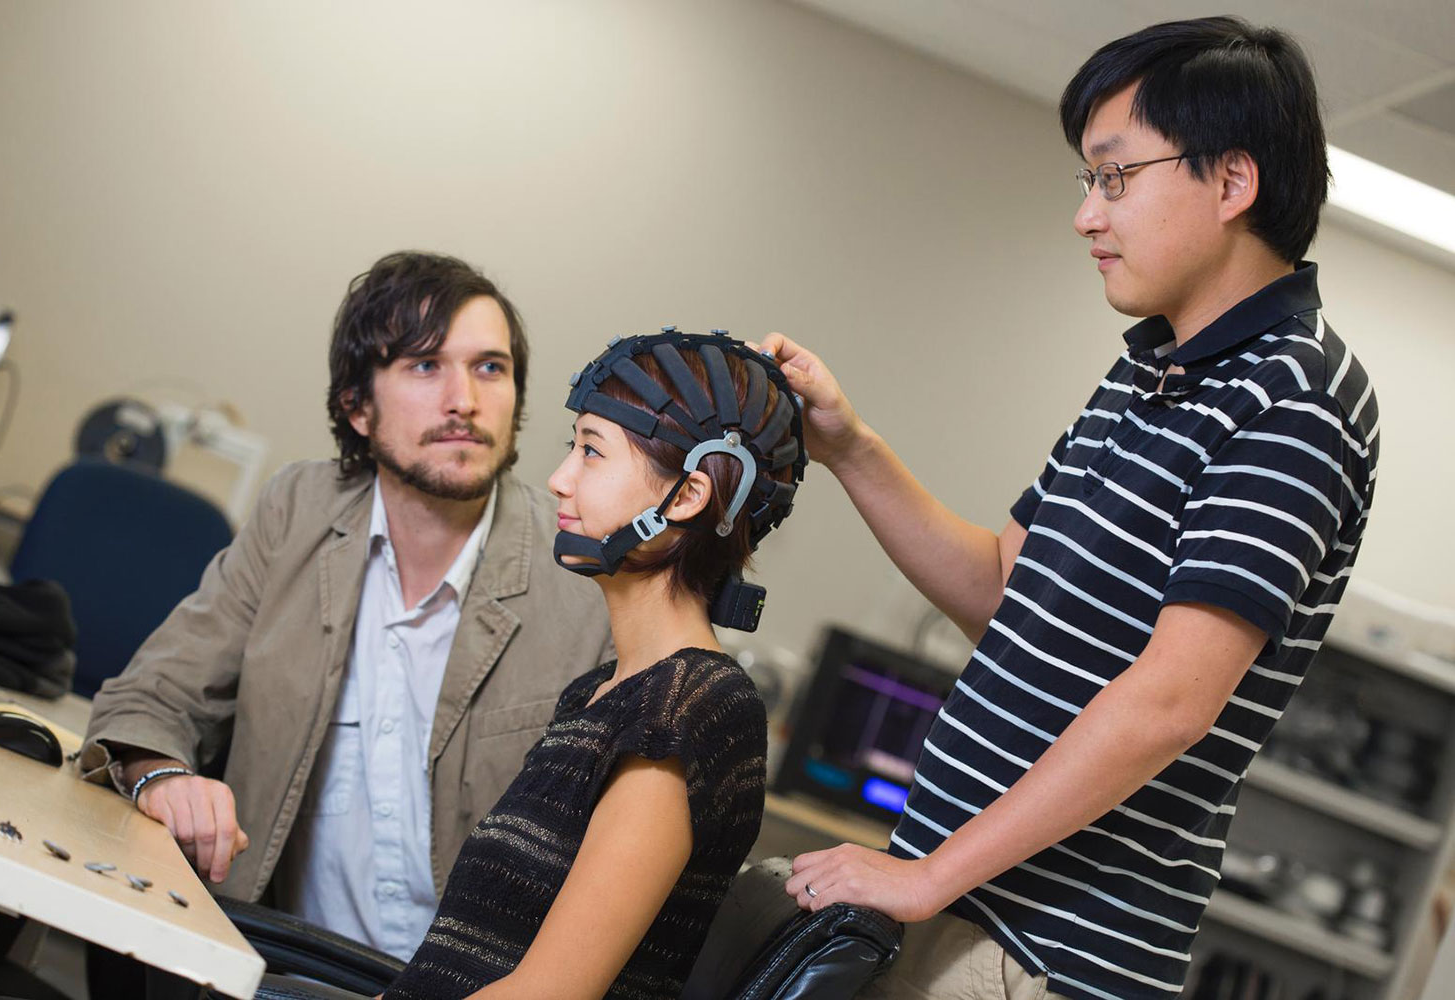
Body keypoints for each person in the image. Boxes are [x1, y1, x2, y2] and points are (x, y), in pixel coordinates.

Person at [767, 17, 1378, 1000]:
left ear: (1231, 182)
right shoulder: (1151, 371)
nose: (1087, 216)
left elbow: (1172, 700)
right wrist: (850, 448)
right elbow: (1004, 592)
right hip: (965, 897)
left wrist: (931, 876)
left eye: (1114, 177)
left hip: (1049, 949)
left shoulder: (1296, 398)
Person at [79, 252, 612, 960]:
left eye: (490, 367)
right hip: (274, 962)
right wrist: (164, 776)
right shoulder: (298, 510)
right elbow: (150, 696)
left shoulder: (588, 576)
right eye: (425, 366)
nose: (465, 400)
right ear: (357, 407)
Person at [382, 330, 806, 999]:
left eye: (590, 451)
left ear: (688, 496)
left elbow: (549, 994)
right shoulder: (603, 692)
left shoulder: (685, 710)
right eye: (570, 447)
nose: (559, 478)